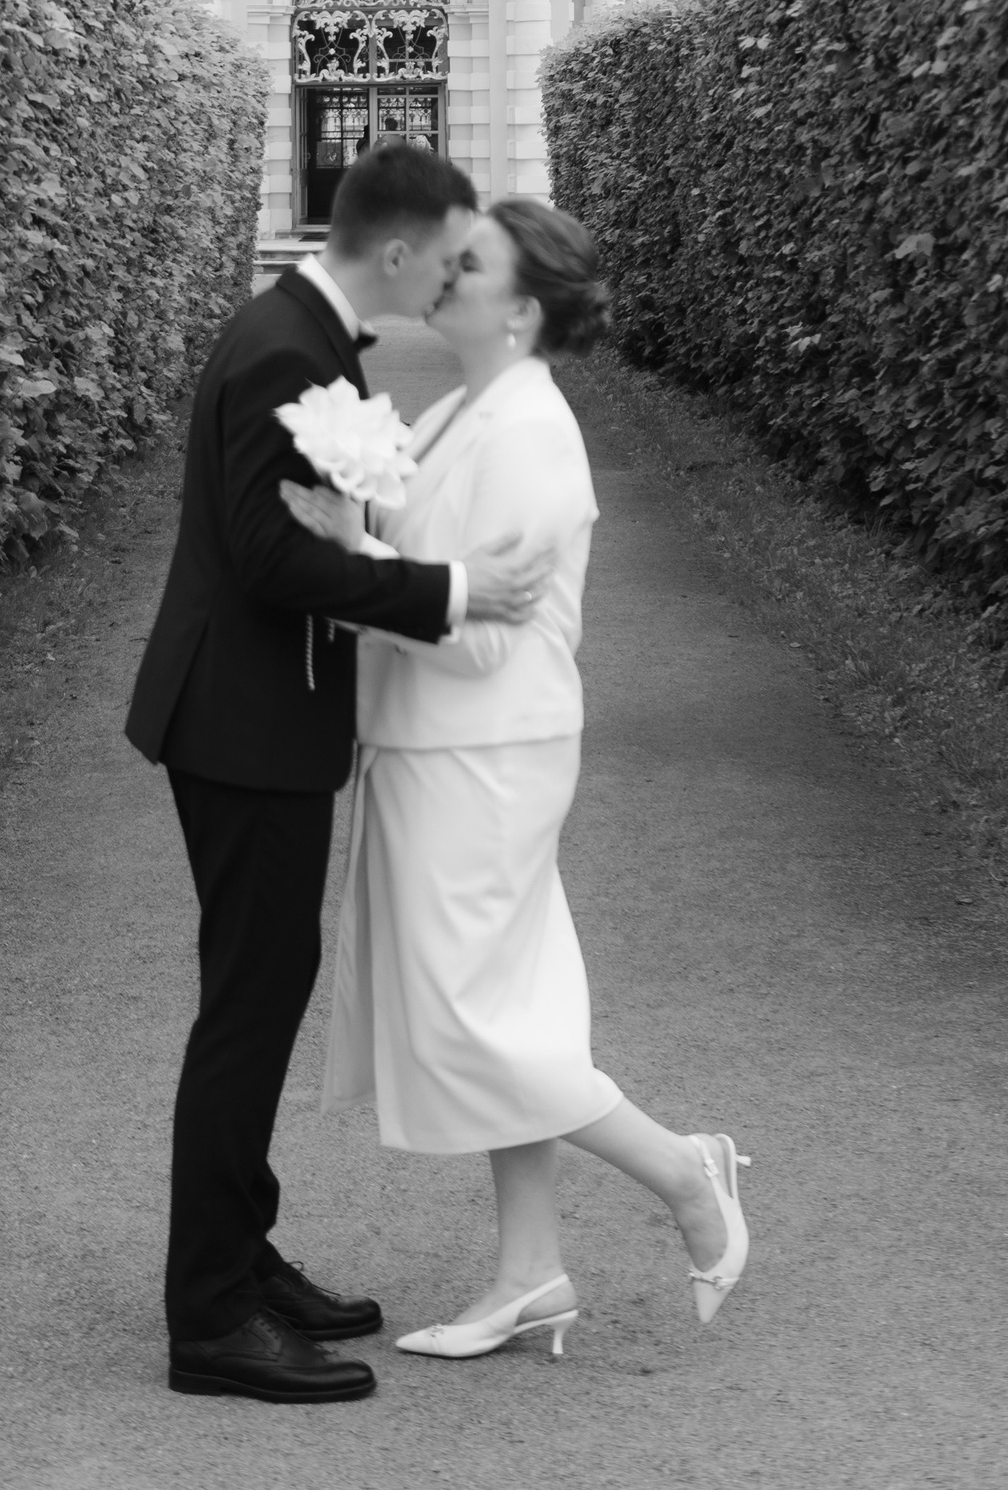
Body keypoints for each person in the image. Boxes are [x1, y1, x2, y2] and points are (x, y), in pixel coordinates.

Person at [124, 142, 552, 1406]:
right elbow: (269, 559)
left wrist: (371, 538)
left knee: (262, 989)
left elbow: (310, 529)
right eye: (452, 256)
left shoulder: (304, 334)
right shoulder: (284, 349)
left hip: (257, 721)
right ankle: (211, 1317)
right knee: (249, 1007)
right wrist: (451, 591)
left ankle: (241, 1255)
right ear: (401, 250)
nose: (452, 279)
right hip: (241, 726)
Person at [284, 197, 750, 1359]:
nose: (448, 271)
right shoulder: (462, 409)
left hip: (483, 753)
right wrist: (357, 503)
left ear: (525, 308)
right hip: (439, 744)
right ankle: (529, 1272)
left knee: (472, 1018)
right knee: (511, 1005)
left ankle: (682, 1170)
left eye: (475, 262)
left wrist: (354, 551)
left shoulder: (533, 431)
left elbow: (485, 636)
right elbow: (426, 561)